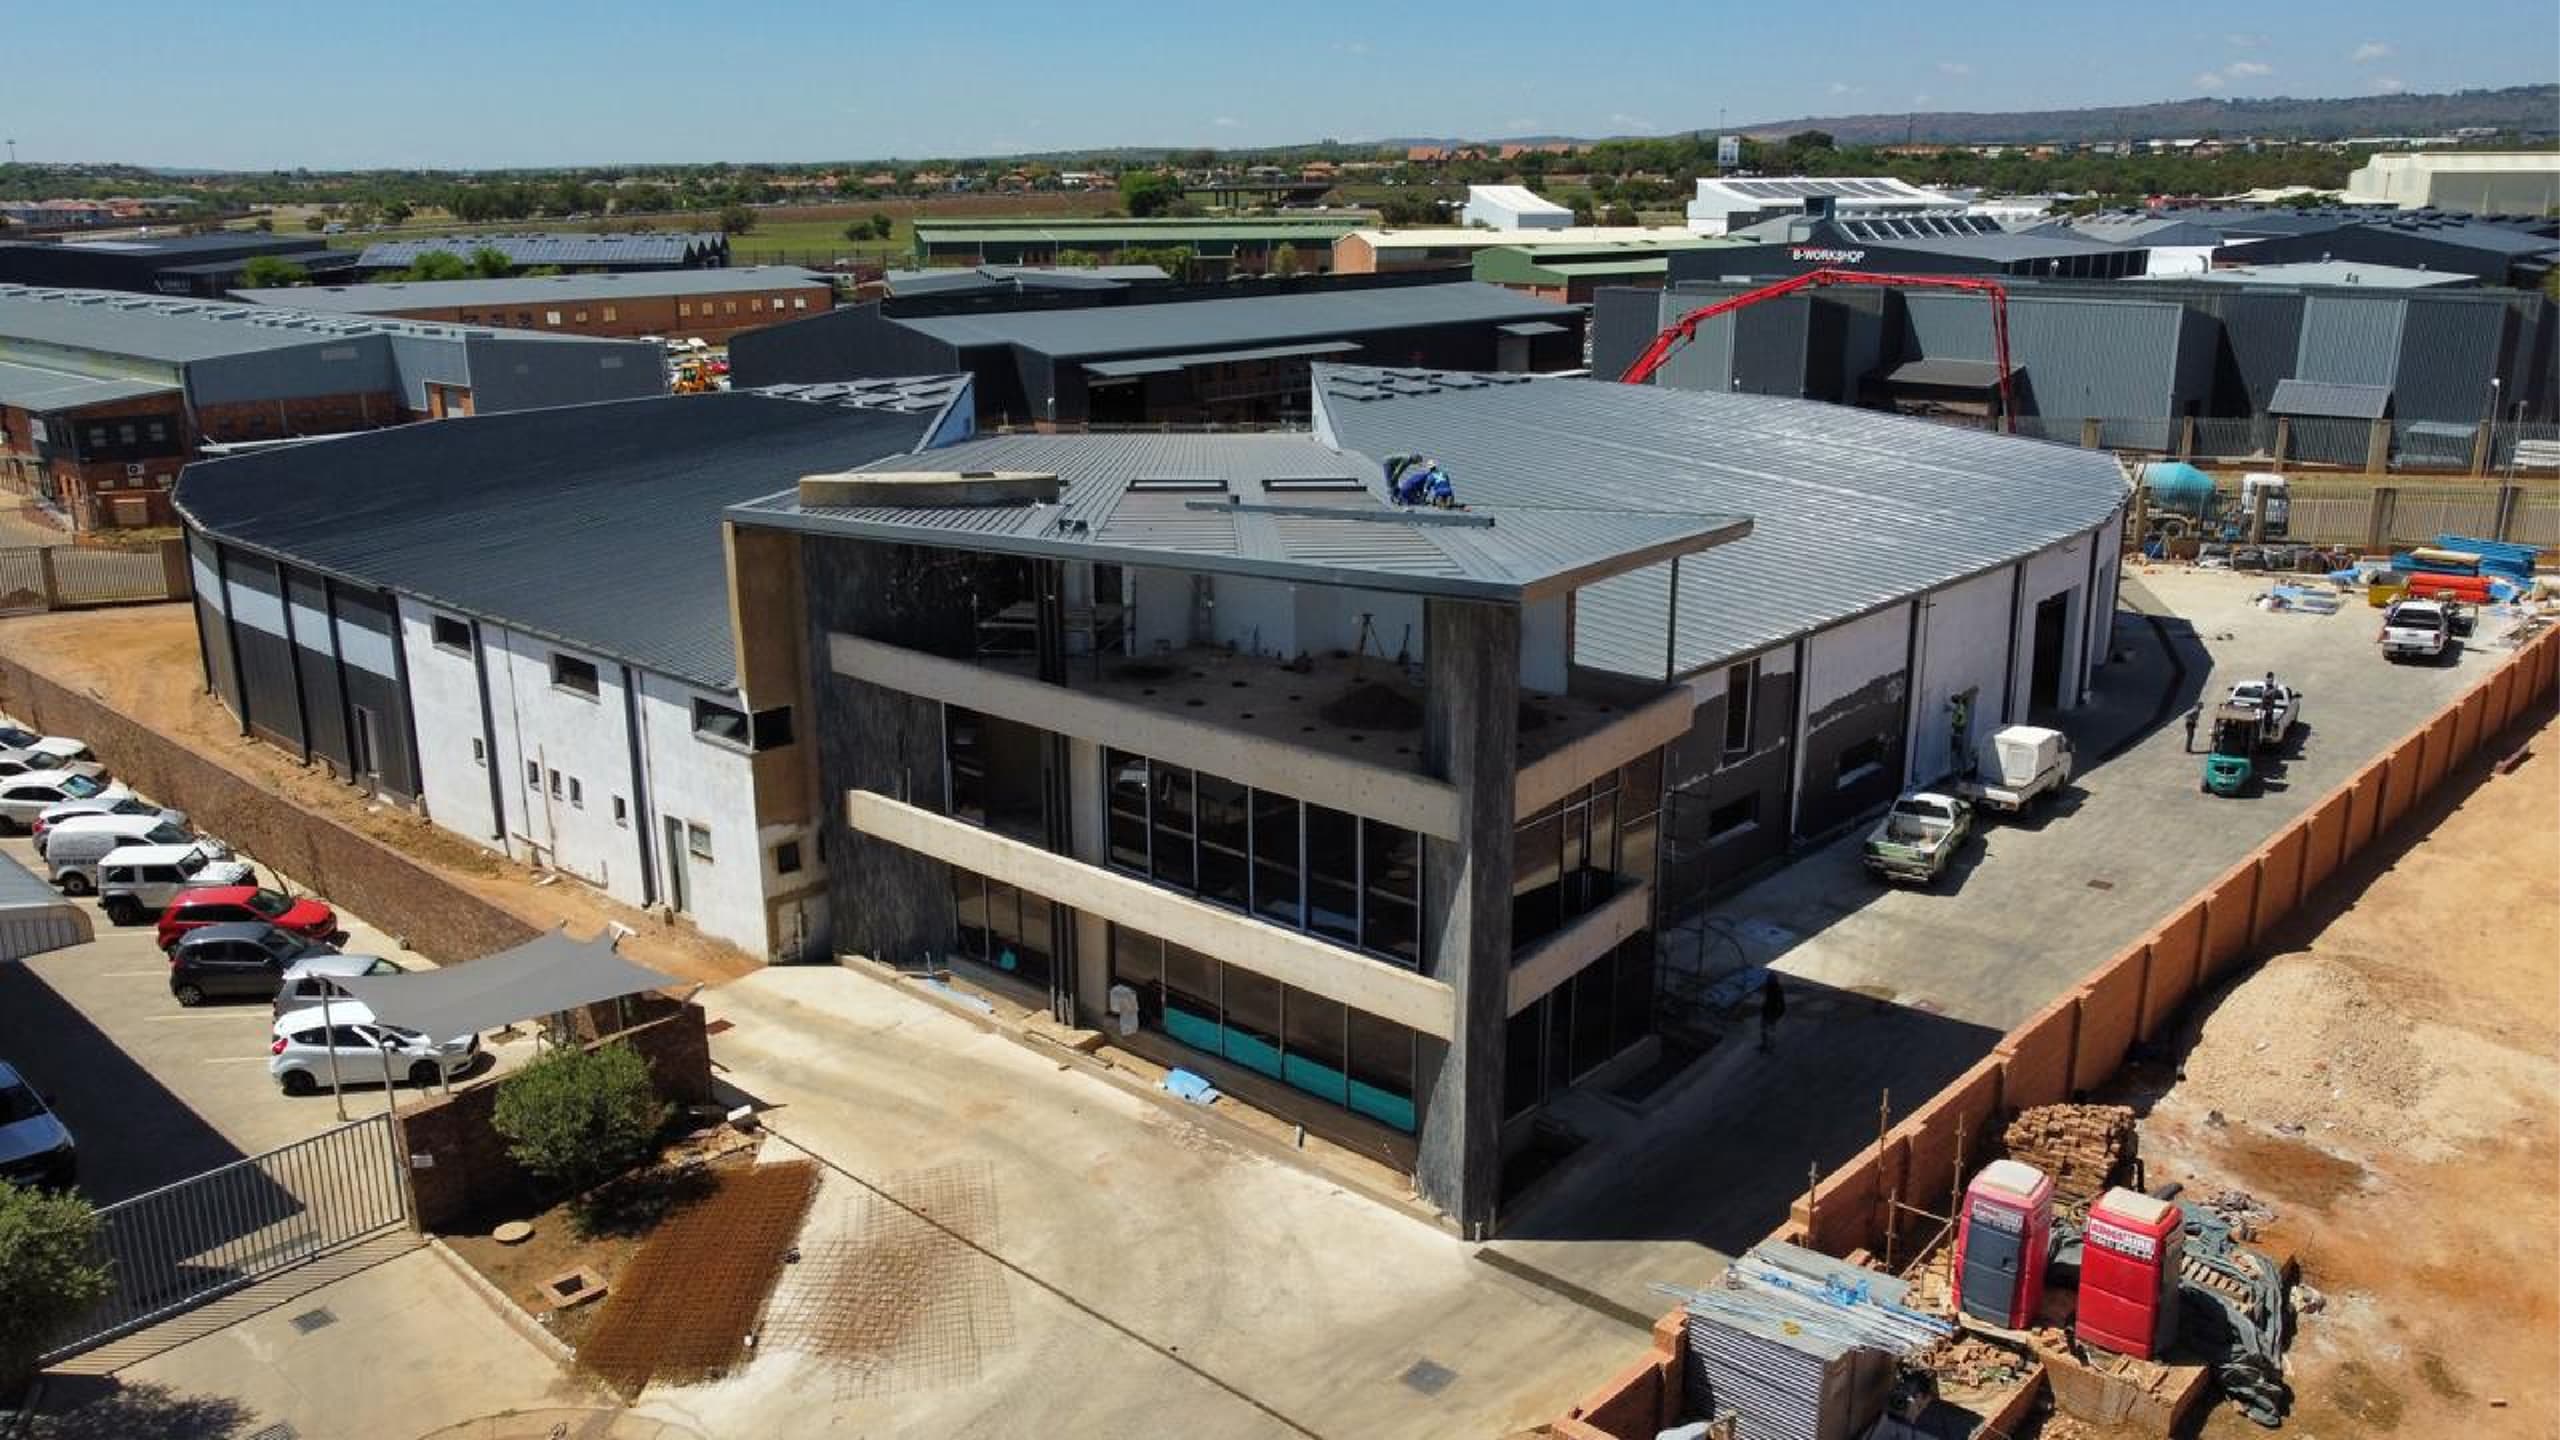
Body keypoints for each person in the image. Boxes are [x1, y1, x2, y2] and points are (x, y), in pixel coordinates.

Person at [1758, 974, 1786, 1053]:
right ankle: (1766, 1045)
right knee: (1765, 1029)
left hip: (1772, 1012)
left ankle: (1769, 1046)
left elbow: (1782, 1004)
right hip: (1768, 1011)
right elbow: (1766, 999)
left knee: (1769, 1030)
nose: (1767, 982)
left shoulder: (1777, 990)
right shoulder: (1771, 988)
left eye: (1769, 980)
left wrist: (1778, 1014)